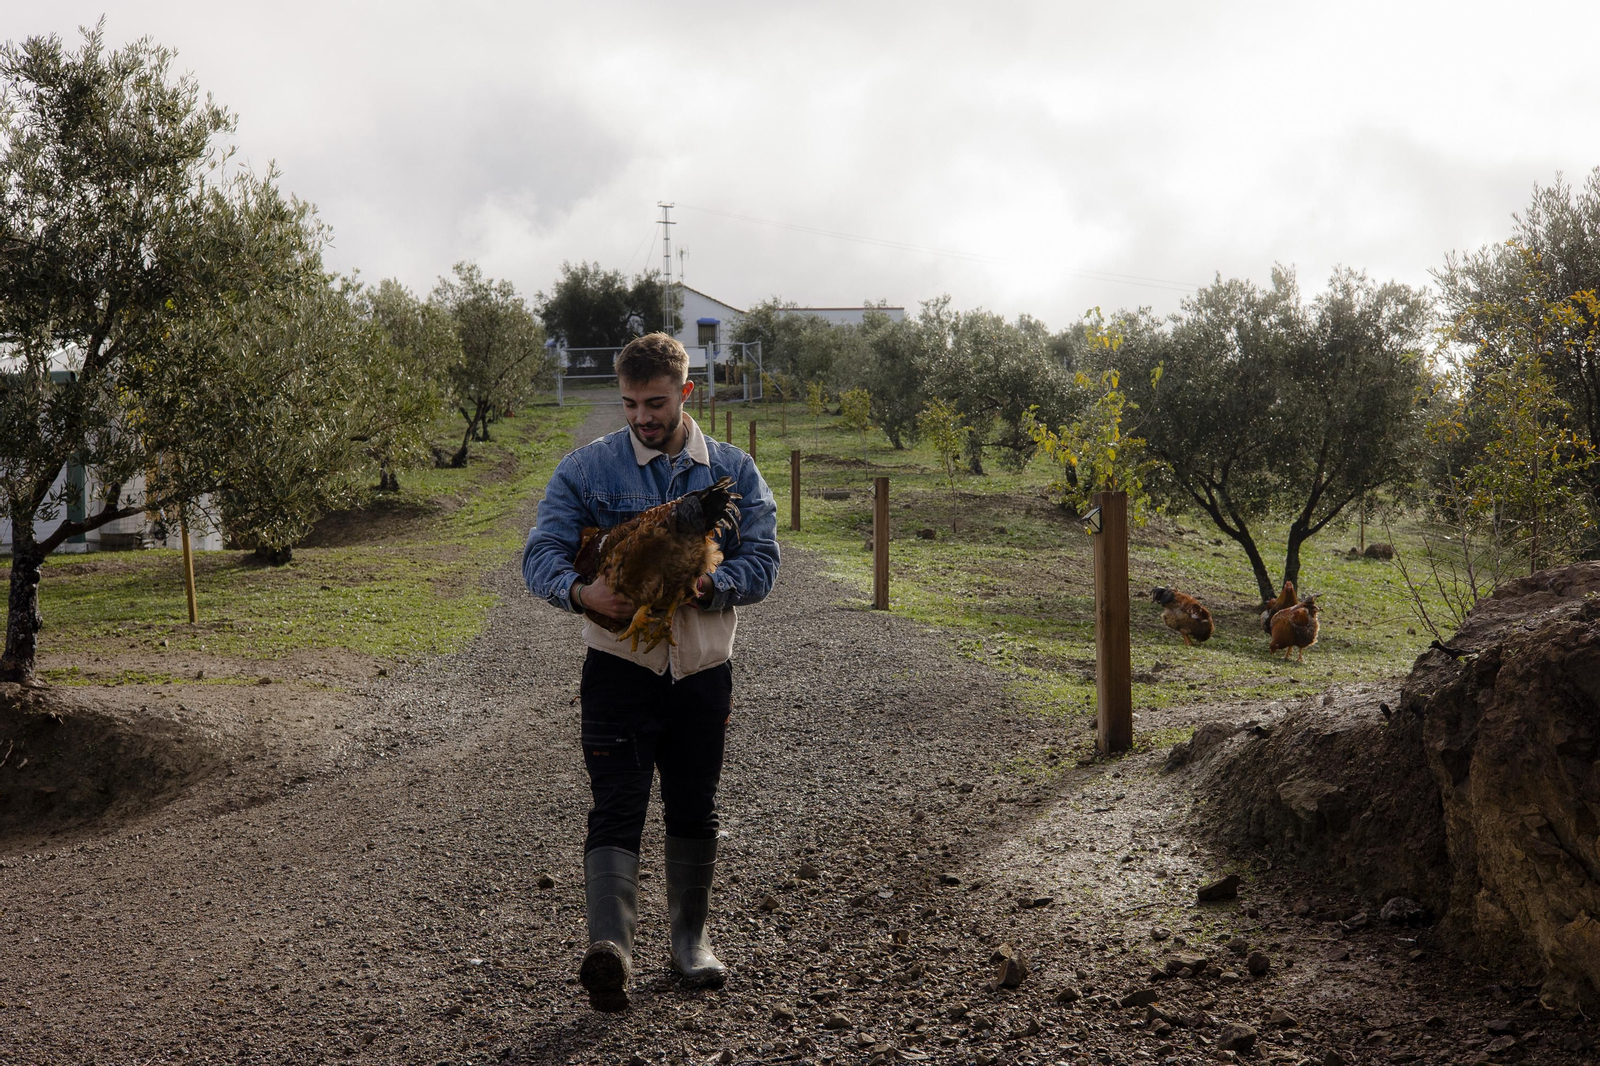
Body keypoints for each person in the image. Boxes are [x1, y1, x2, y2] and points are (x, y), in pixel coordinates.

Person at [522, 332, 779, 1011]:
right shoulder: (587, 470)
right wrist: (580, 594)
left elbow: (764, 564)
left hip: (700, 669)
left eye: (656, 403)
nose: (642, 417)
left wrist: (710, 588)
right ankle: (611, 950)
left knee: (694, 804)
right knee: (616, 805)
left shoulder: (735, 470)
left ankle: (689, 945)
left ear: (686, 393)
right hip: (617, 668)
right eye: (631, 403)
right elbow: (539, 553)